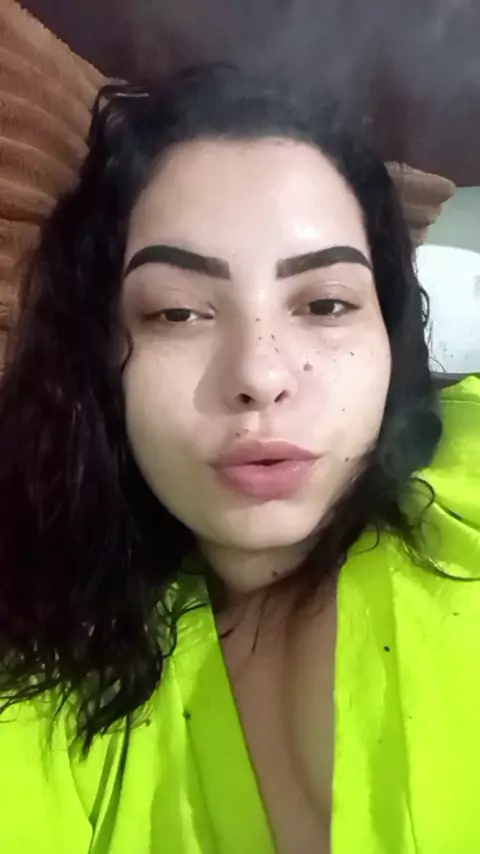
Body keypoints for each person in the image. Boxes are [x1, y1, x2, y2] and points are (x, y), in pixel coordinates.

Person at [0, 63, 477, 854]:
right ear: (99, 357)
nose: (259, 373)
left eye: (326, 303)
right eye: (177, 313)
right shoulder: (53, 683)